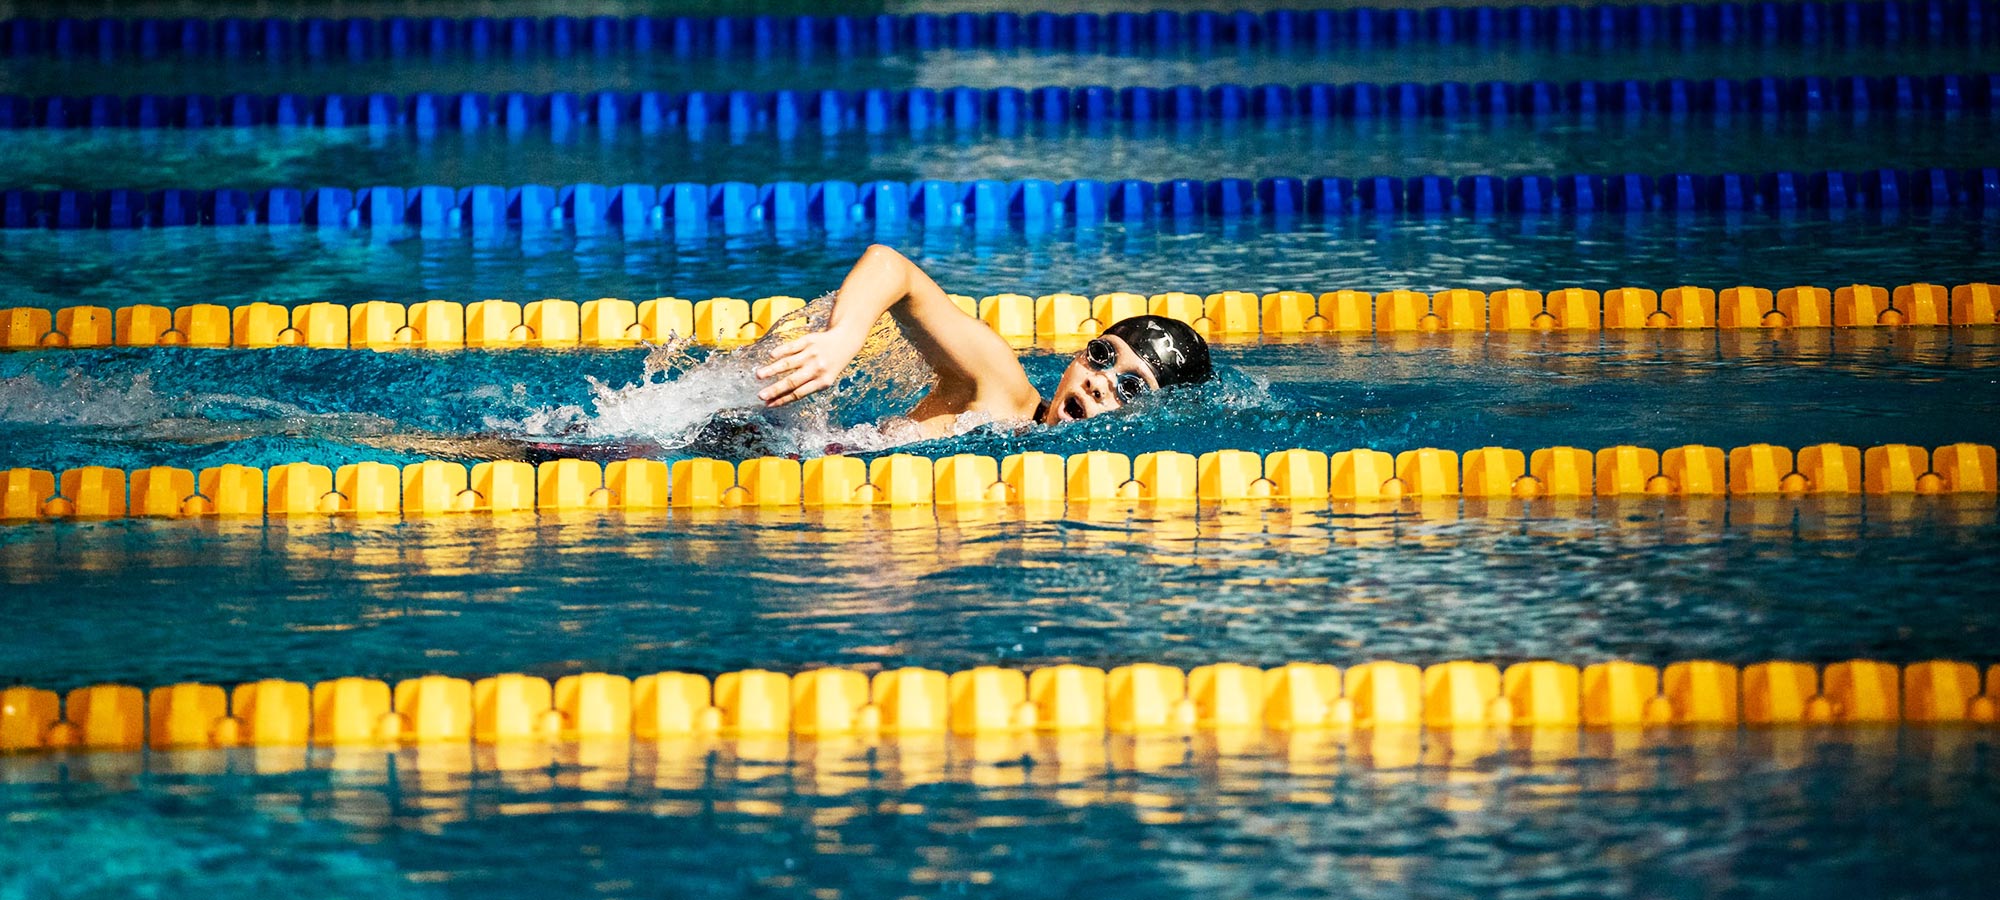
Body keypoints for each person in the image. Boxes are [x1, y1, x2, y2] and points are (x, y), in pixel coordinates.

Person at [755, 244, 1213, 437]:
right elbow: (890, 266)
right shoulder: (1000, 388)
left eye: (1130, 387)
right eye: (1101, 355)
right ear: (1077, 355)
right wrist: (842, 338)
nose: (1100, 382)